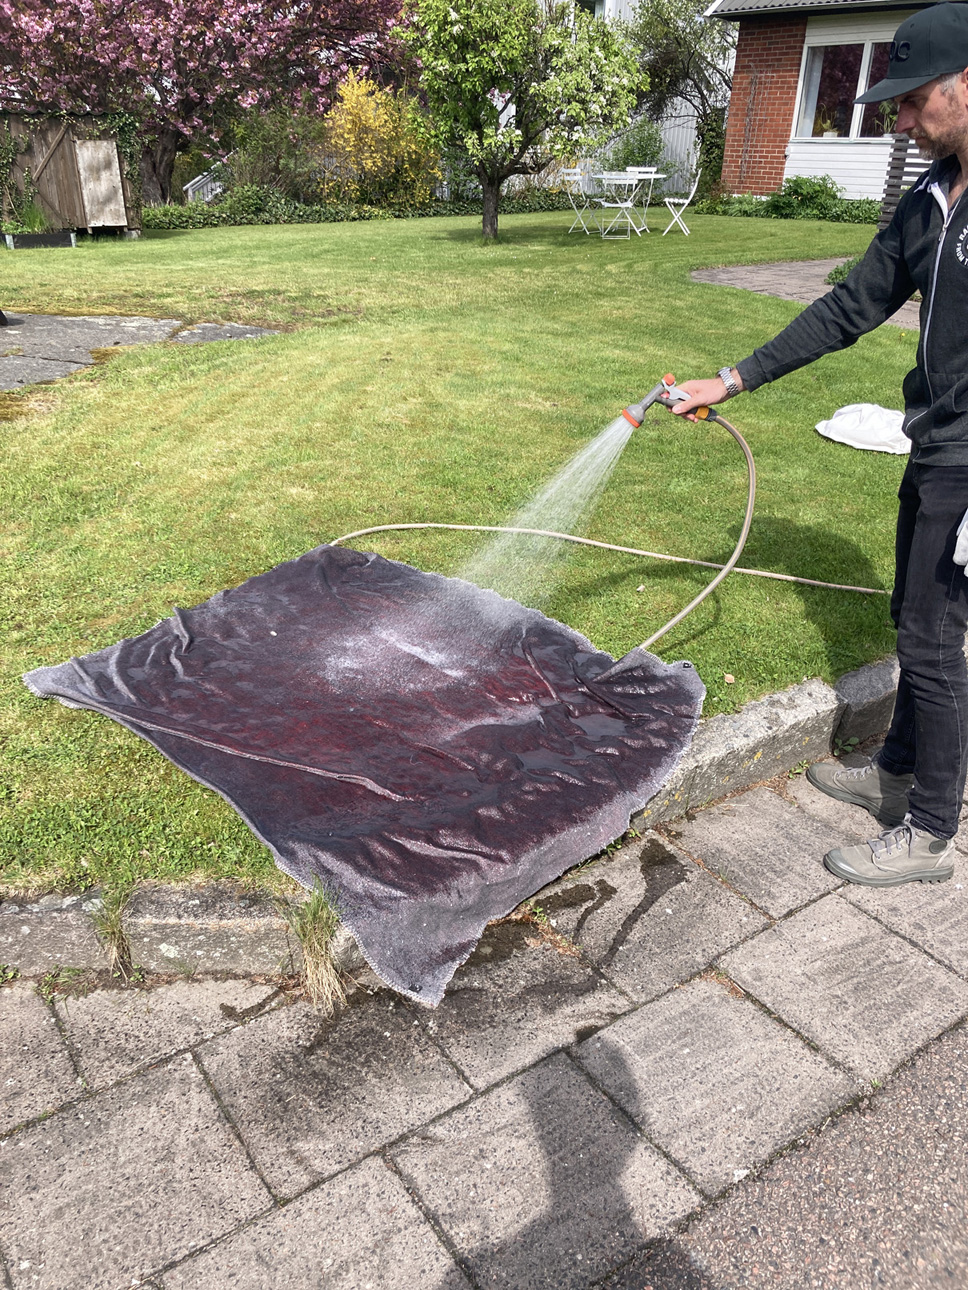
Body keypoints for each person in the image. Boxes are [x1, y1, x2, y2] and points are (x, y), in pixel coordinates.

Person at [671, 2, 968, 888]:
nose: (901, 121)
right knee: (914, 618)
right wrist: (733, 378)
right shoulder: (931, 198)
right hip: (935, 443)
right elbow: (850, 306)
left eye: (912, 100)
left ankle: (930, 830)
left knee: (934, 637)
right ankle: (897, 769)